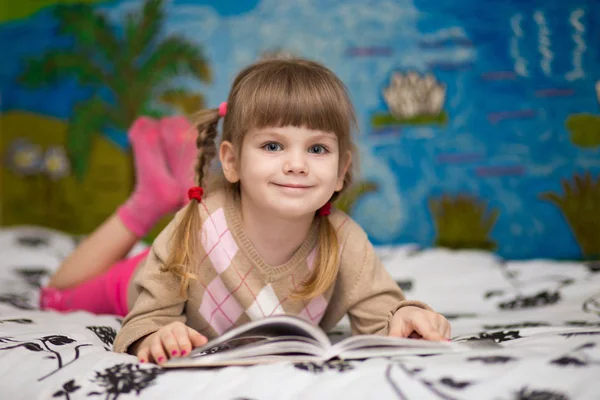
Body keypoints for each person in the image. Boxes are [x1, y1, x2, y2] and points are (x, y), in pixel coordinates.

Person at [40, 58, 451, 365]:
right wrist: (155, 334)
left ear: (341, 171)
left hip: (207, 272)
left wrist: (410, 315)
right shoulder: (197, 226)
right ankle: (148, 201)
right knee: (54, 297)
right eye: (273, 146)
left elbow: (383, 316)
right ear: (231, 162)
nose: (297, 164)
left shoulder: (344, 243)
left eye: (317, 149)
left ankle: (166, 190)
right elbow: (148, 318)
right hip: (163, 274)